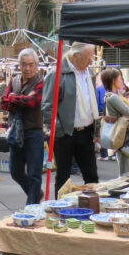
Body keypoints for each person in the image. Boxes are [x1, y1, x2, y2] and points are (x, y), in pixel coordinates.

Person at [41, 42, 99, 197]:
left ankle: (93, 211)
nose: (91, 62)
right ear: (75, 56)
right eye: (88, 58)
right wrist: (60, 129)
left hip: (85, 132)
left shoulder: (89, 74)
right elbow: (47, 106)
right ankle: (59, 212)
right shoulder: (56, 74)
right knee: (63, 178)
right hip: (65, 134)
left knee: (92, 176)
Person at [0, 48, 44, 205]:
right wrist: (19, 99)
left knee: (34, 173)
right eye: (24, 64)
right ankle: (36, 194)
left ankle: (31, 207)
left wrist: (13, 97)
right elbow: (3, 102)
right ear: (19, 65)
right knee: (15, 172)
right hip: (15, 132)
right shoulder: (14, 80)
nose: (27, 68)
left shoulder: (41, 82)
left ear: (36, 65)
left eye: (31, 64)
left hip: (34, 132)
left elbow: (32, 102)